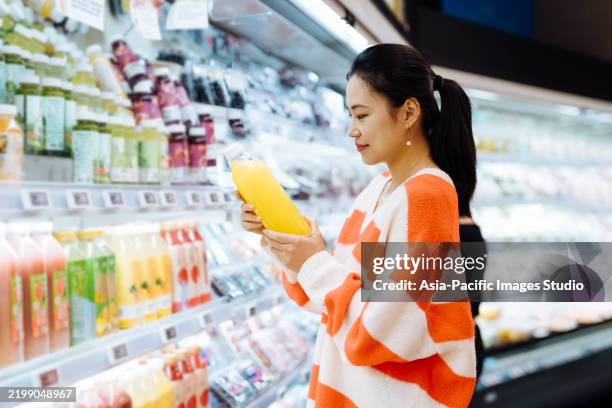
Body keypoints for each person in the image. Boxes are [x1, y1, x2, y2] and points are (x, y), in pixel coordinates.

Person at [240, 43, 477, 407]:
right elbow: (332, 304)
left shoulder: (427, 196)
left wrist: (313, 262)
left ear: (409, 112)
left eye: (362, 115)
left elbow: (380, 334)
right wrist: (286, 244)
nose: (351, 130)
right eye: (350, 116)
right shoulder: (380, 188)